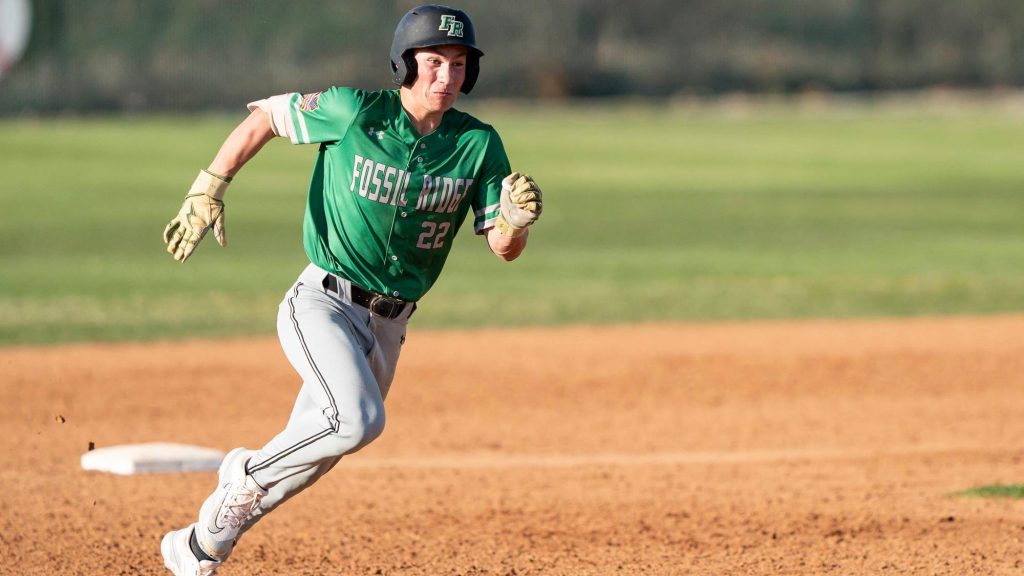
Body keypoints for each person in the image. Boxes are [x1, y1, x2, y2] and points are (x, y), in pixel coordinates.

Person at [158, 5, 543, 575]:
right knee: (357, 421)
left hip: (391, 325)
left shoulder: (478, 144)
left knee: (318, 450)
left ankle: (199, 543)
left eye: (459, 63)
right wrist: (209, 184)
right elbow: (266, 118)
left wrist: (514, 221)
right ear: (405, 63)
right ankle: (244, 474)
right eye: (434, 61)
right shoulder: (354, 110)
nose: (447, 75)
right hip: (323, 302)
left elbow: (502, 248)